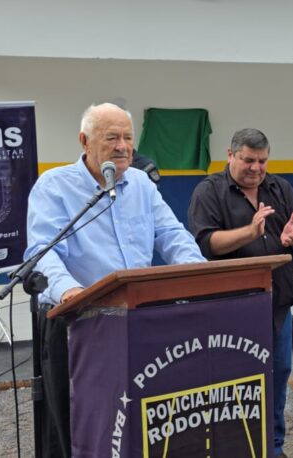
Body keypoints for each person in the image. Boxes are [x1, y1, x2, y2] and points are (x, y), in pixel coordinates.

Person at [25, 103, 205, 456]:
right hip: (76, 322)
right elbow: (42, 252)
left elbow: (172, 235)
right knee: (80, 425)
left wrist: (195, 275)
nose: (123, 147)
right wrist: (71, 291)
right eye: (111, 138)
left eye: (127, 138)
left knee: (136, 416)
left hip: (138, 321)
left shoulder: (141, 184)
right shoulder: (55, 186)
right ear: (85, 141)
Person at [188, 128, 293, 458]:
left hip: (277, 304)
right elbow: (206, 243)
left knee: (278, 375)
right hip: (232, 308)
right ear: (230, 155)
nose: (256, 168)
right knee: (236, 379)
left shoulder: (279, 187)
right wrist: (250, 232)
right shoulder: (209, 192)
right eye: (248, 160)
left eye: (262, 161)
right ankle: (235, 447)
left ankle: (273, 447)